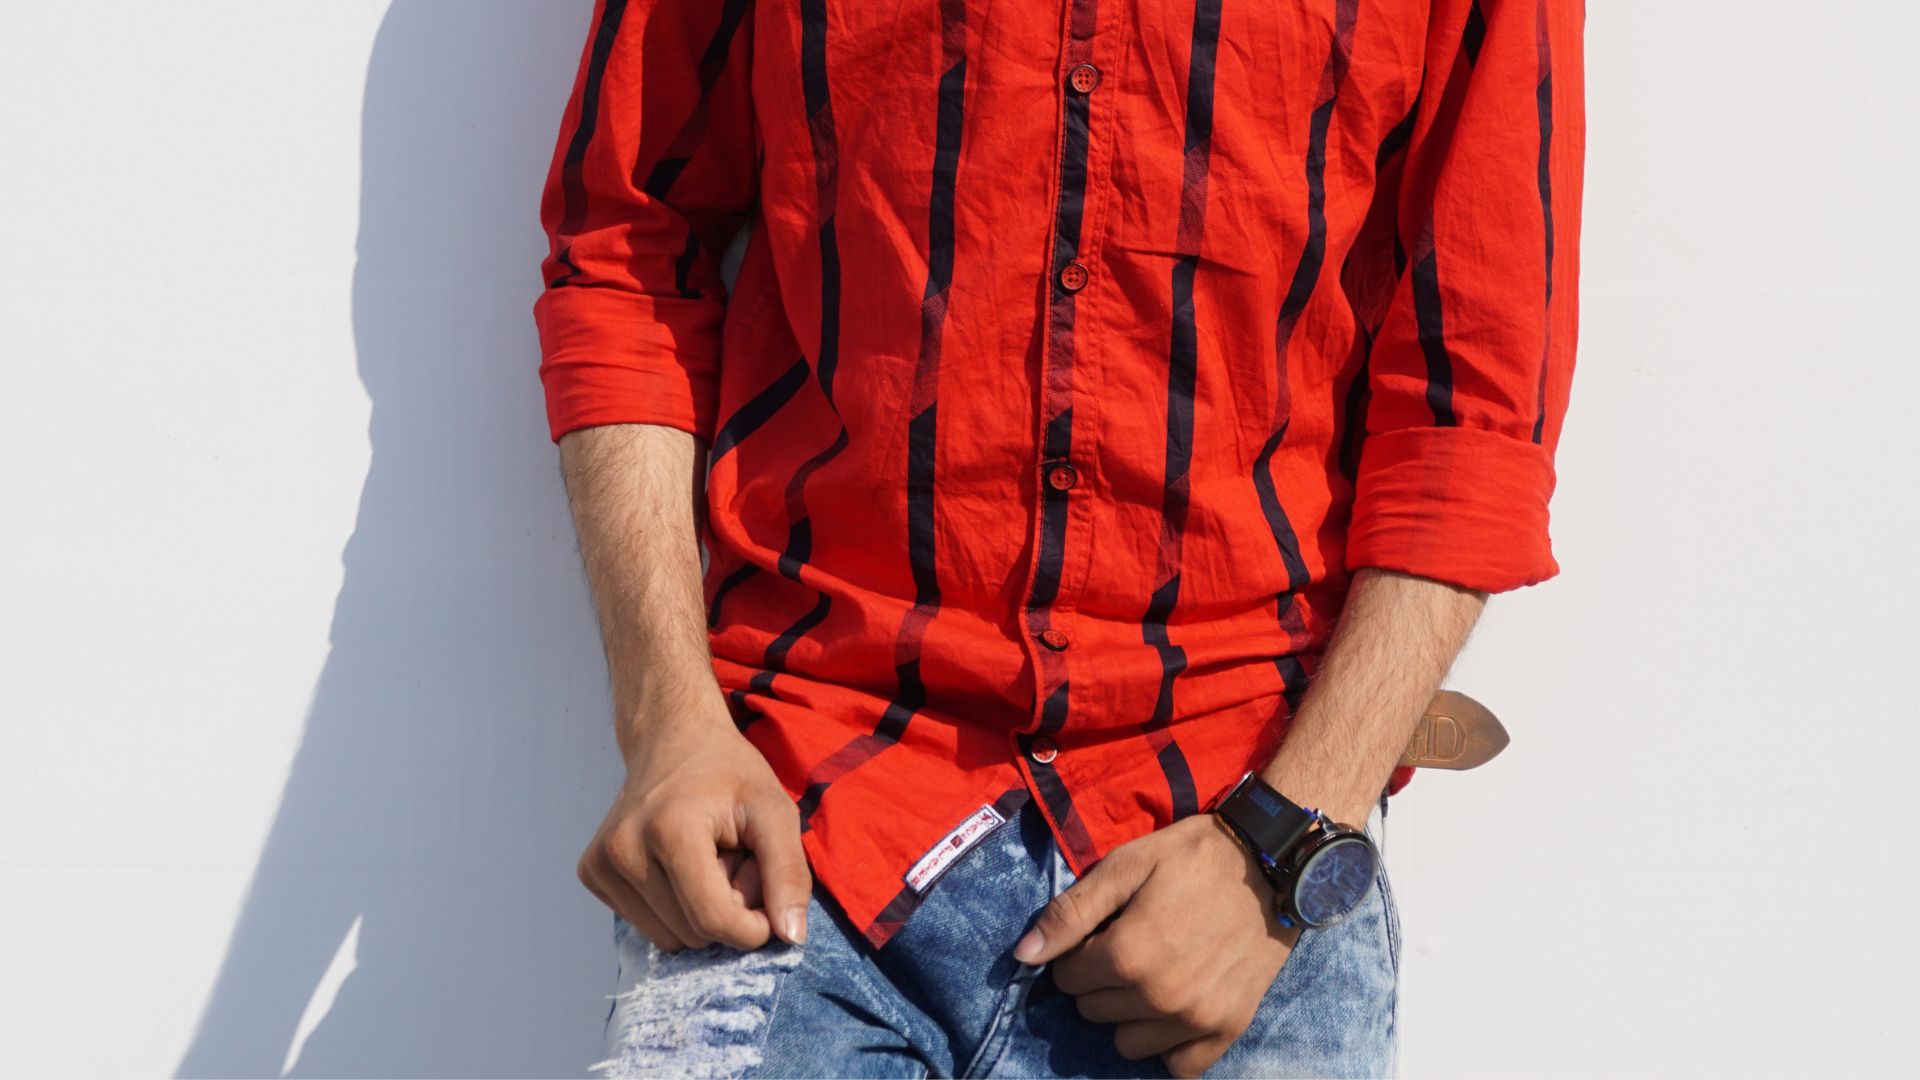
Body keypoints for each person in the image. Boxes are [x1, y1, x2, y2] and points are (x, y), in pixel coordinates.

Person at [532, 0, 1583, 1074]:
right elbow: (627, 257)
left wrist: (1282, 845)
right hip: (804, 813)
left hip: (1231, 849)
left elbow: (1475, 402)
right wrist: (669, 728)